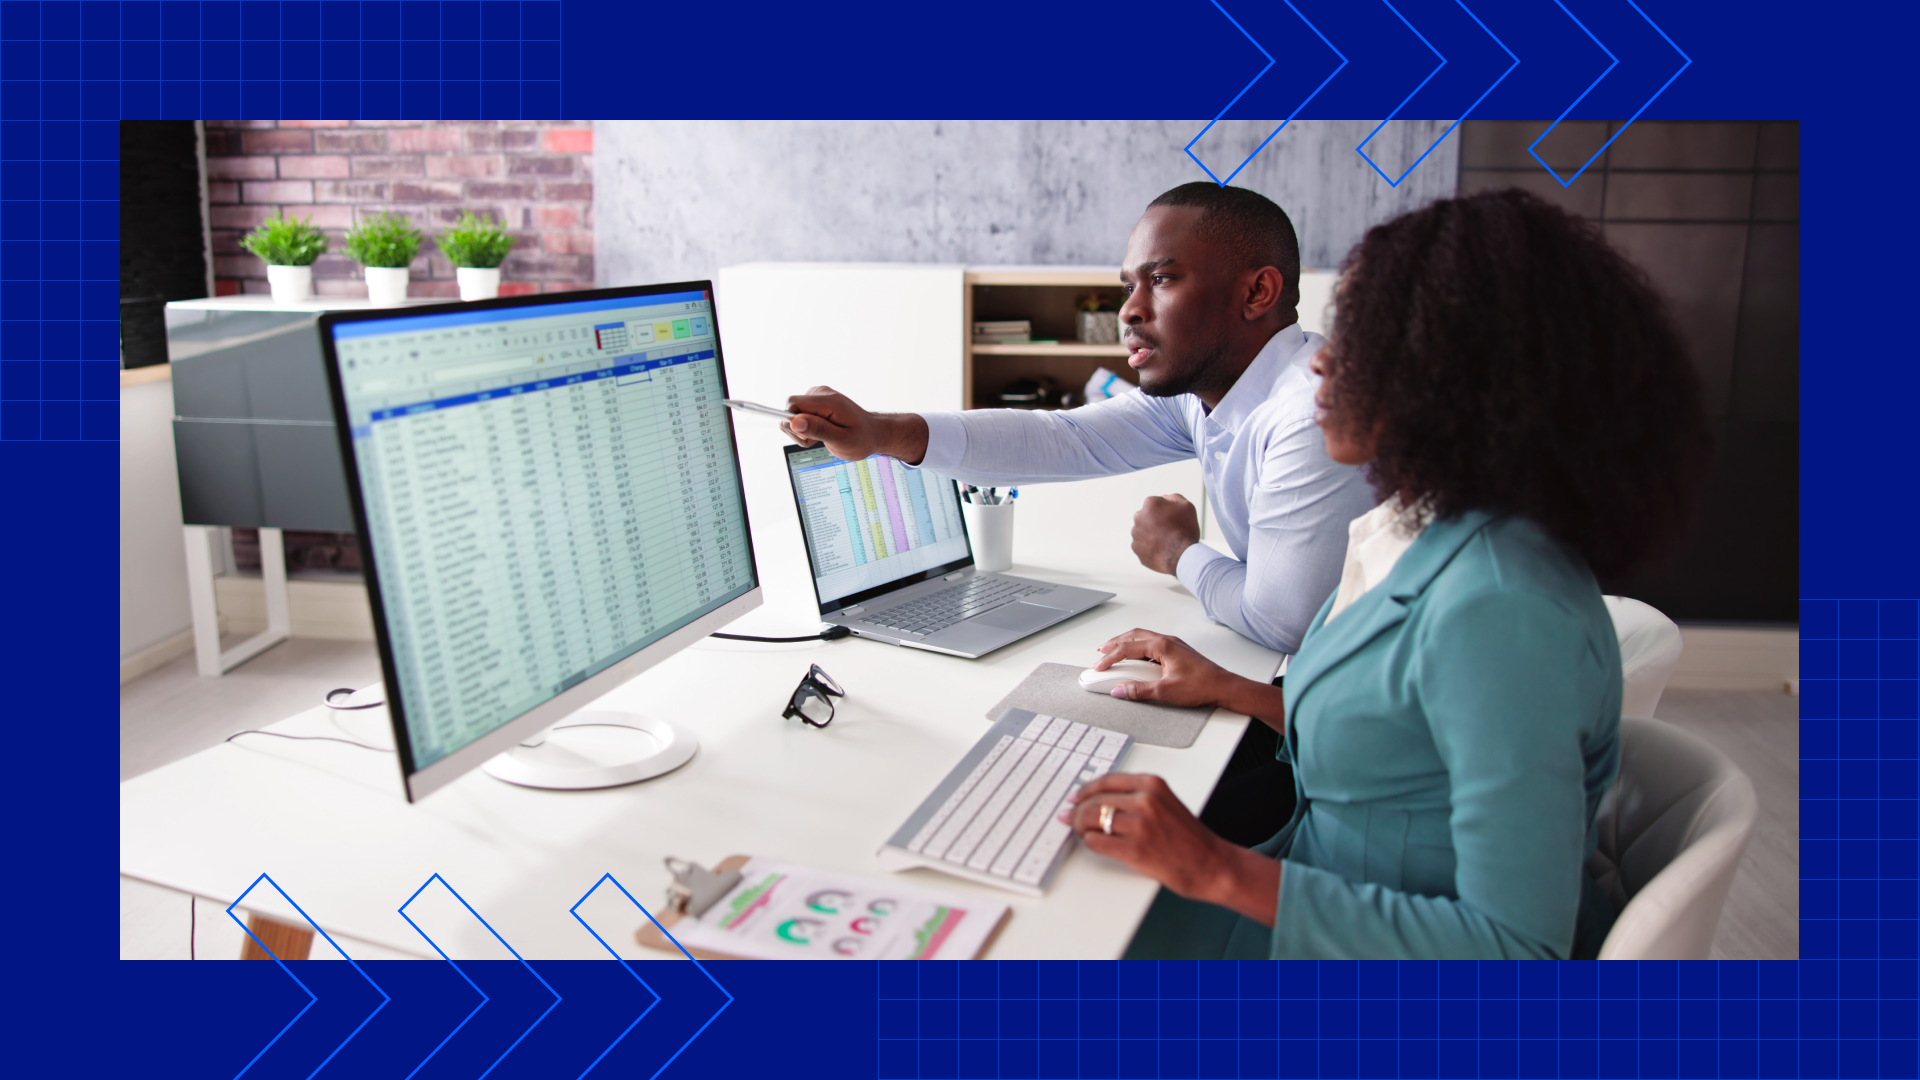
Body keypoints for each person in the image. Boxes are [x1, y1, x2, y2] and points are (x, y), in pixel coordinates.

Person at [1057, 188, 1714, 960]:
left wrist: (1212, 868)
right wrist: (1230, 688)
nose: (1325, 359)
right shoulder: (1421, 532)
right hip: (1320, 888)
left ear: (1473, 378)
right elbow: (1402, 746)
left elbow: (1516, 949)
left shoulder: (1504, 607)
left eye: (1366, 337)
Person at [780, 182, 1374, 660]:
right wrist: (881, 433)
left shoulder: (1308, 415)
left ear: (1258, 292)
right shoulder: (1208, 393)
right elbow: (1066, 438)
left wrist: (1180, 552)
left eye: (1162, 279)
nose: (1130, 310)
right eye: (1128, 286)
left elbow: (1284, 623)